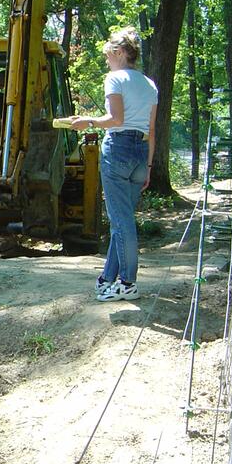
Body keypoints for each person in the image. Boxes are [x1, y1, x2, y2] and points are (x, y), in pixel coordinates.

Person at [70, 27, 158, 302]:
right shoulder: (149, 84)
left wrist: (89, 121)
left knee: (121, 222)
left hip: (118, 148)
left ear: (119, 53)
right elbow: (152, 131)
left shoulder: (115, 78)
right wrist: (150, 166)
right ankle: (108, 278)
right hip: (141, 153)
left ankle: (128, 283)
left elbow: (116, 119)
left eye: (108, 54)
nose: (107, 60)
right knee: (123, 220)